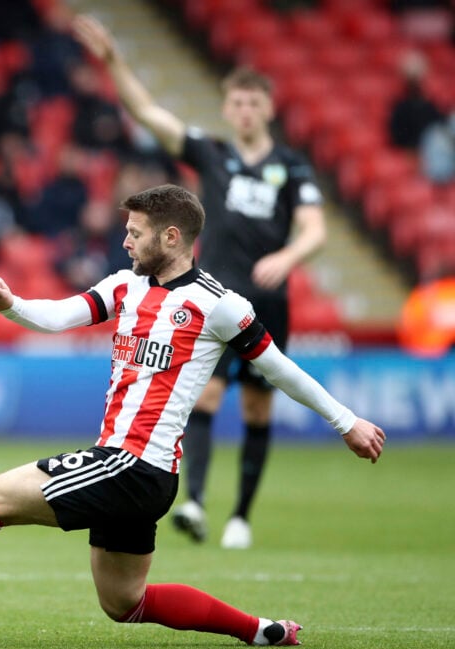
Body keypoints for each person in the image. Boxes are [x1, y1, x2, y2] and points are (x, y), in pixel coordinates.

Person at [0, 184, 385, 646]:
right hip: (141, 475)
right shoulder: (127, 286)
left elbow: (280, 368)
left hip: (134, 463)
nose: (126, 242)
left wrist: (346, 422)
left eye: (135, 233)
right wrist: (13, 305)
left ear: (173, 236)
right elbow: (61, 317)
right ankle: (260, 631)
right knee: (124, 603)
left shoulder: (219, 306)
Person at [72, 15, 328, 549]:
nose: (245, 111)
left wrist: (289, 254)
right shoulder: (214, 154)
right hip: (214, 302)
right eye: (237, 103)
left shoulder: (293, 167)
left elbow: (316, 230)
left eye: (254, 103)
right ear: (227, 107)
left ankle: (240, 515)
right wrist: (115, 60)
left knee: (258, 407)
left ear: (269, 109)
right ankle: (194, 501)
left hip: (269, 303)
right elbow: (147, 112)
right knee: (206, 399)